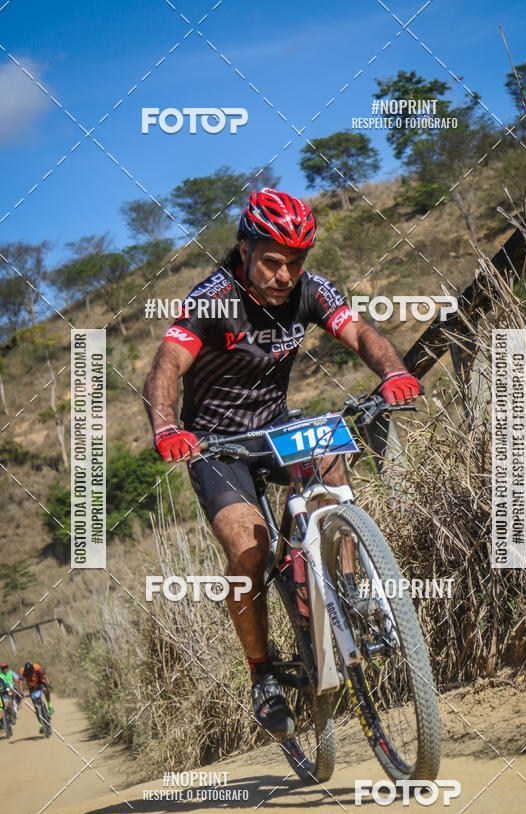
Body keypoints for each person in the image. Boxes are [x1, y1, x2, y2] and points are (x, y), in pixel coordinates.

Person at [143, 188, 422, 740]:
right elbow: (166, 366)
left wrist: (392, 371)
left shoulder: (308, 291)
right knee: (249, 551)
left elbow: (362, 333)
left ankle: (349, 587)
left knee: (331, 457)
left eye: (295, 262)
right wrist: (166, 426)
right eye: (272, 260)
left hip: (275, 425)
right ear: (244, 249)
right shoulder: (212, 300)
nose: (284, 274)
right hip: (219, 443)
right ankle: (263, 676)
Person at [20, 662, 53, 732]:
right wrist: (21, 693)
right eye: (28, 672)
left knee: (45, 690)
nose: (29, 673)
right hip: (31, 687)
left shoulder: (37, 667)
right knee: (35, 707)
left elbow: (45, 676)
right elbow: (20, 682)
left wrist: (48, 684)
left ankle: (49, 705)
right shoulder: (22, 671)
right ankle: (41, 724)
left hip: (39, 683)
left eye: (30, 672)